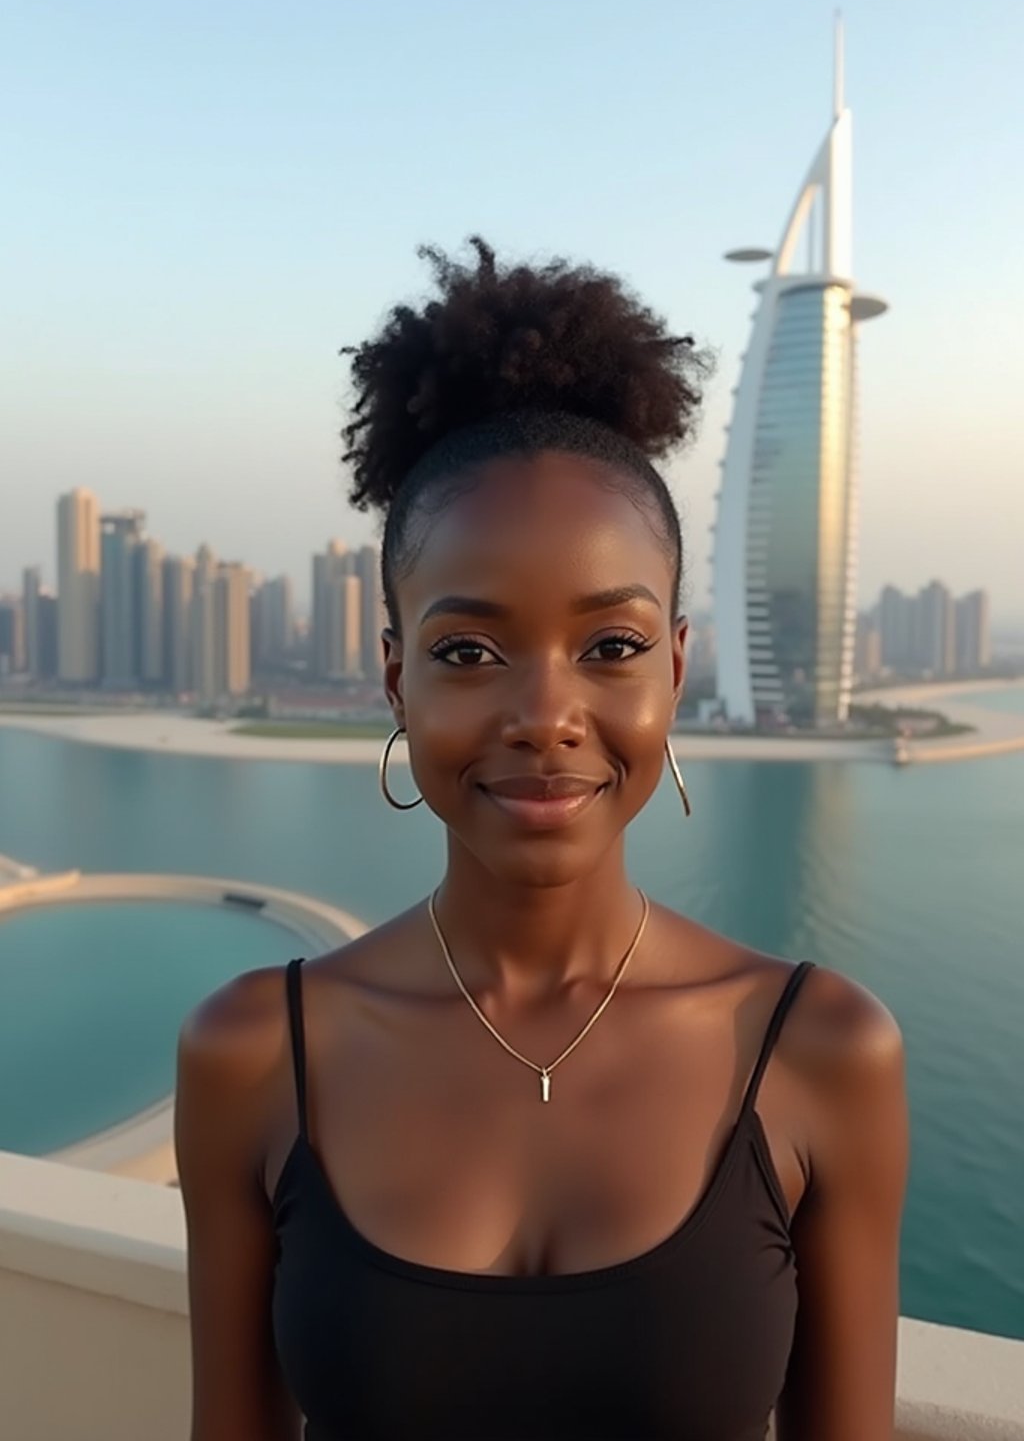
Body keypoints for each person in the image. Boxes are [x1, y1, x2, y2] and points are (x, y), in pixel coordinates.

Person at [175, 237, 910, 1441]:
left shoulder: (822, 1052)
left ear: (674, 670)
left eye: (610, 649)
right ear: (395, 676)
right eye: (470, 653)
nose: (545, 716)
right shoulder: (254, 1053)